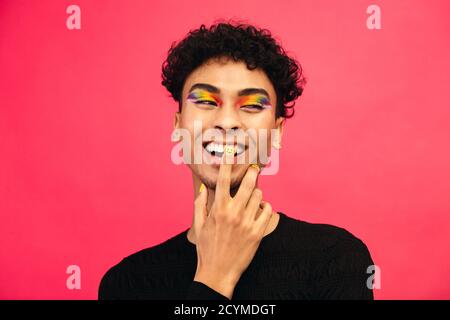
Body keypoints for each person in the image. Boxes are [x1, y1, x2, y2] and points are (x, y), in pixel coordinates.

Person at [98, 21, 374, 300]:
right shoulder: (128, 284)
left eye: (253, 105)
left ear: (276, 132)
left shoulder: (335, 260)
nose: (227, 122)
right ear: (178, 125)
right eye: (205, 101)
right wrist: (214, 278)